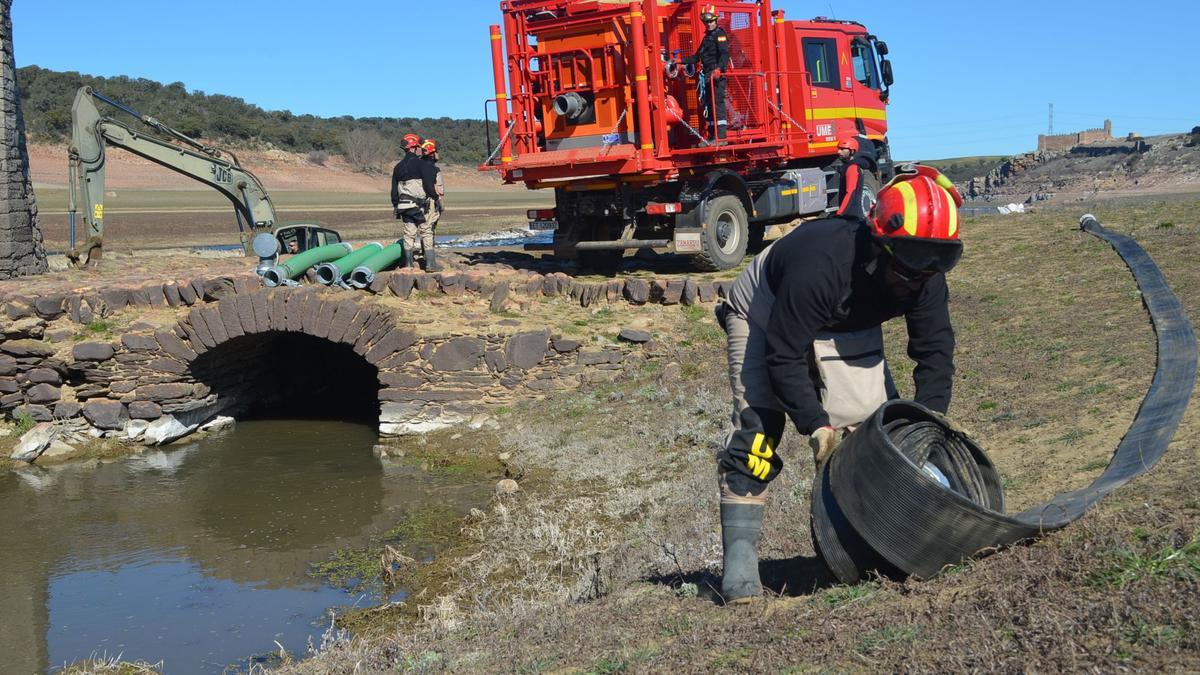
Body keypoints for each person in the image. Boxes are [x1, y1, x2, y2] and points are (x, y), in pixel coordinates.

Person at [713, 165, 964, 604]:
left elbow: (935, 351)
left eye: (936, 262)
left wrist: (929, 422)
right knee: (758, 435)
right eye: (909, 263)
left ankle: (875, 544)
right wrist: (815, 426)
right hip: (764, 312)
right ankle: (739, 568)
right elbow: (784, 355)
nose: (919, 275)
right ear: (880, 244)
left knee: (875, 434)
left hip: (844, 320)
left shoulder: (924, 271)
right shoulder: (823, 264)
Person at [680, 5, 730, 142]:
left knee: (717, 104)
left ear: (716, 20)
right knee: (709, 105)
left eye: (710, 21)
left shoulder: (720, 35)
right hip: (707, 75)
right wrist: (679, 61)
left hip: (716, 76)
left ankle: (721, 137)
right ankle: (713, 136)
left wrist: (719, 69)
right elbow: (697, 57)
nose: (708, 24)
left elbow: (724, 55)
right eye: (705, 22)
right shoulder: (707, 38)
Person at [390, 134, 438, 270]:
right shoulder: (421, 164)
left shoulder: (397, 167)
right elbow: (428, 185)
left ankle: (409, 264)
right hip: (419, 205)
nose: (421, 150)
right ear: (414, 148)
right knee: (426, 231)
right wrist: (434, 197)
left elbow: (394, 191)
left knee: (409, 233)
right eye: (419, 147)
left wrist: (395, 205)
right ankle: (430, 264)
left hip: (403, 206)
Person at [414, 138, 445, 272]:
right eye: (437, 151)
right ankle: (430, 263)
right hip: (431, 202)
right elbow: (433, 187)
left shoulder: (419, 166)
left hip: (420, 201)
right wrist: (437, 200)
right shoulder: (431, 168)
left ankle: (426, 256)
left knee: (425, 229)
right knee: (428, 229)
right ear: (432, 153)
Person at [834, 135, 880, 223]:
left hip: (851, 217)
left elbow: (850, 192)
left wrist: (840, 213)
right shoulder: (848, 166)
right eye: (839, 148)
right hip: (849, 215)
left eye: (843, 149)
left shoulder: (852, 168)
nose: (839, 151)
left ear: (852, 151)